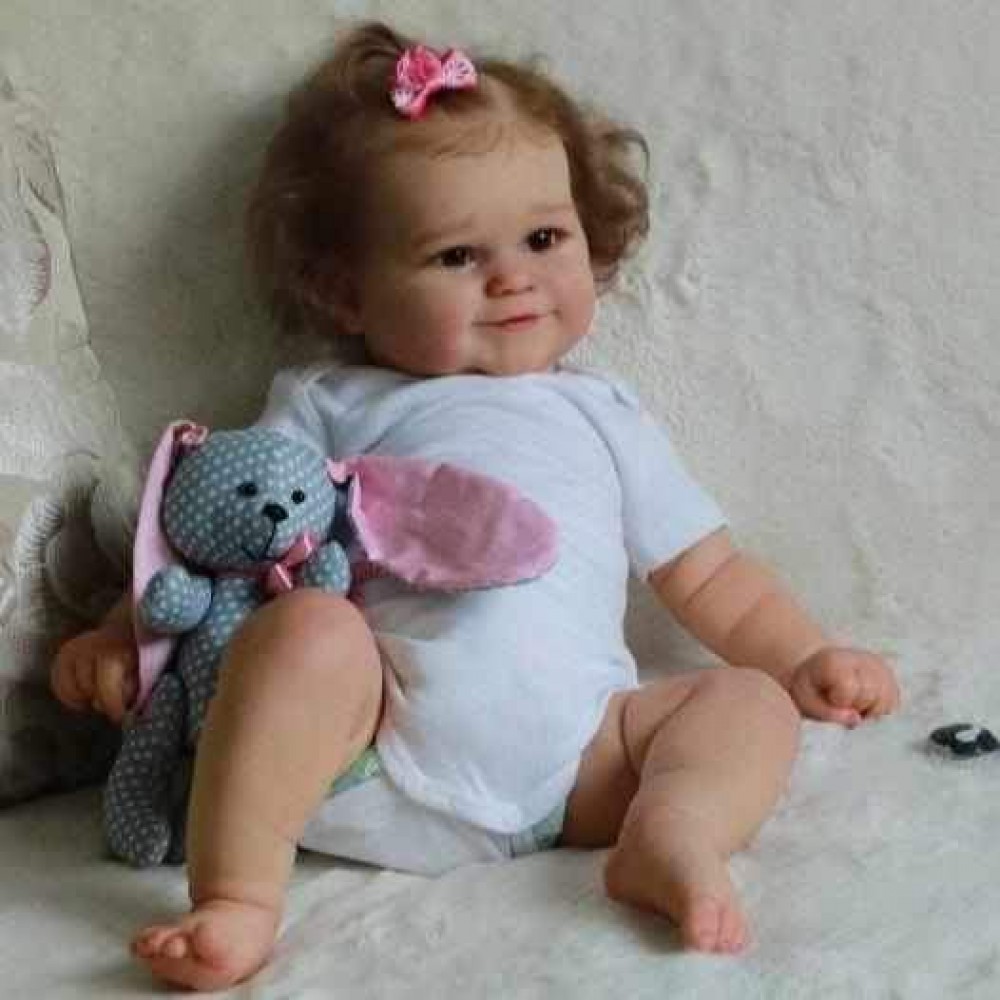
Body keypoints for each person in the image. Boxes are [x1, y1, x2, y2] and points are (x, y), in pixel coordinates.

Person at [49, 20, 901, 991]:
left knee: (742, 704)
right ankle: (240, 896)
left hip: (579, 770)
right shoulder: (330, 400)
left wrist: (801, 656)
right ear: (344, 291)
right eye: (456, 255)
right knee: (305, 633)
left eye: (544, 238)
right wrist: (123, 632)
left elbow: (708, 575)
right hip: (367, 757)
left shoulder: (599, 410)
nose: (512, 277)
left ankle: (673, 832)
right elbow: (221, 534)